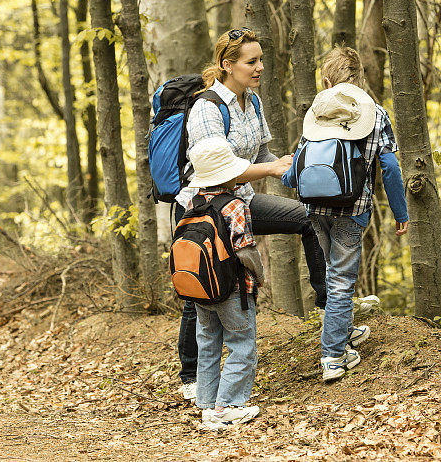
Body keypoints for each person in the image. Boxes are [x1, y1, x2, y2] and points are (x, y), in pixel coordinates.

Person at [175, 28, 327, 400]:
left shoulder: (253, 103)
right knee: (208, 284)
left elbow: (260, 158)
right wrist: (273, 171)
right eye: (251, 61)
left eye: (261, 60)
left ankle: (329, 305)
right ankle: (191, 377)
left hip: (241, 203)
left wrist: (296, 169)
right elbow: (221, 171)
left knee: (304, 218)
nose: (260, 67)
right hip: (205, 209)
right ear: (227, 65)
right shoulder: (207, 108)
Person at [282, 46, 409, 382]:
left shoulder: (317, 113)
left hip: (313, 208)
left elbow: (301, 157)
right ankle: (333, 356)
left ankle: (343, 332)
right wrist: (400, 211)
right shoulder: (376, 114)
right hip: (351, 211)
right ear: (361, 83)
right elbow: (391, 167)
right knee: (341, 281)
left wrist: (287, 178)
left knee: (333, 273)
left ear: (327, 80)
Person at [180, 137, 264, 428]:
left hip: (201, 291)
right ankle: (226, 406)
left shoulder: (194, 203)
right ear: (230, 175)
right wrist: (260, 278)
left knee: (209, 345)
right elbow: (245, 251)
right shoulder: (235, 206)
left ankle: (206, 405)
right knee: (242, 345)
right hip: (234, 291)